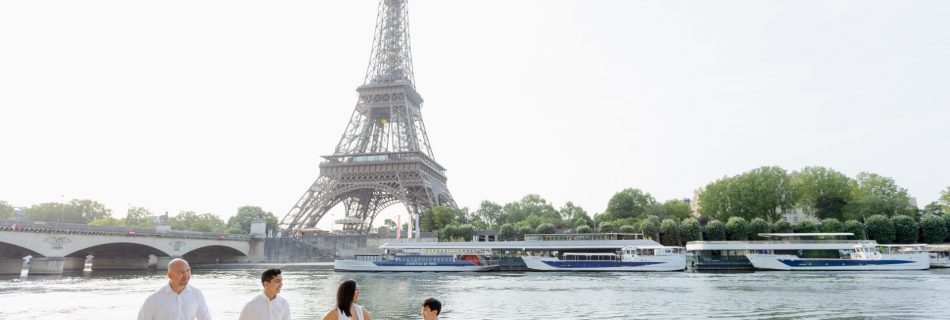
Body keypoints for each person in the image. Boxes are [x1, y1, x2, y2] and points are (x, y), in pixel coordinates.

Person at [137, 258, 212, 320]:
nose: (186, 275)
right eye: (181, 272)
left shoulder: (197, 294)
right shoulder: (154, 299)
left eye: (188, 270)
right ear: (170, 275)